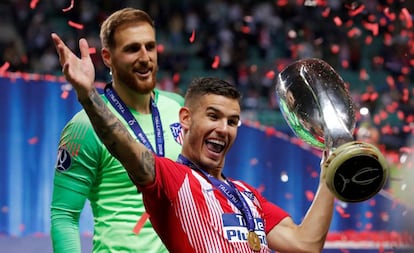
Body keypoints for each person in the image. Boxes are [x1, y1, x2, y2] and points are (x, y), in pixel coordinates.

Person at [52, 24, 336, 249]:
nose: (223, 129)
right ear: (185, 119)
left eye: (232, 121)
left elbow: (304, 243)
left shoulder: (247, 196)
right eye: (213, 117)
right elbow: (122, 144)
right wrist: (88, 95)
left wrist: (328, 176)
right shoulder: (172, 181)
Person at [50, 8, 184, 253]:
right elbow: (64, 217)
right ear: (108, 57)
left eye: (150, 46)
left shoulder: (178, 107)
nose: (145, 57)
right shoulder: (84, 126)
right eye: (133, 49)